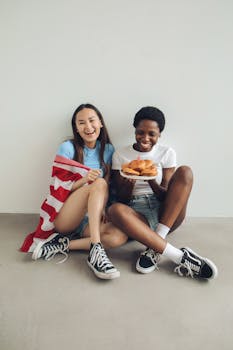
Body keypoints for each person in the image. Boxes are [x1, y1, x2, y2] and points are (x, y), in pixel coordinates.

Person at [108, 106, 218, 280]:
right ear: (135, 130)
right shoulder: (121, 155)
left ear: (159, 134)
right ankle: (180, 256)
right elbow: (121, 198)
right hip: (136, 215)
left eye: (152, 134)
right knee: (114, 210)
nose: (145, 138)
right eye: (140, 132)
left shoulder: (166, 153)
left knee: (185, 172)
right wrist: (130, 184)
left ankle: (156, 243)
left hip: (166, 214)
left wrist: (151, 179)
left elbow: (165, 195)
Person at [32, 103, 128, 280]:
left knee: (118, 236)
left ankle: (61, 244)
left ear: (100, 123)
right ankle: (96, 251)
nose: (88, 127)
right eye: (81, 122)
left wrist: (104, 208)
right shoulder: (67, 148)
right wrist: (85, 179)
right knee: (98, 182)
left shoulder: (107, 150)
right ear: (76, 128)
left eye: (92, 121)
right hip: (66, 216)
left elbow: (108, 185)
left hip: (89, 219)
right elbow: (57, 188)